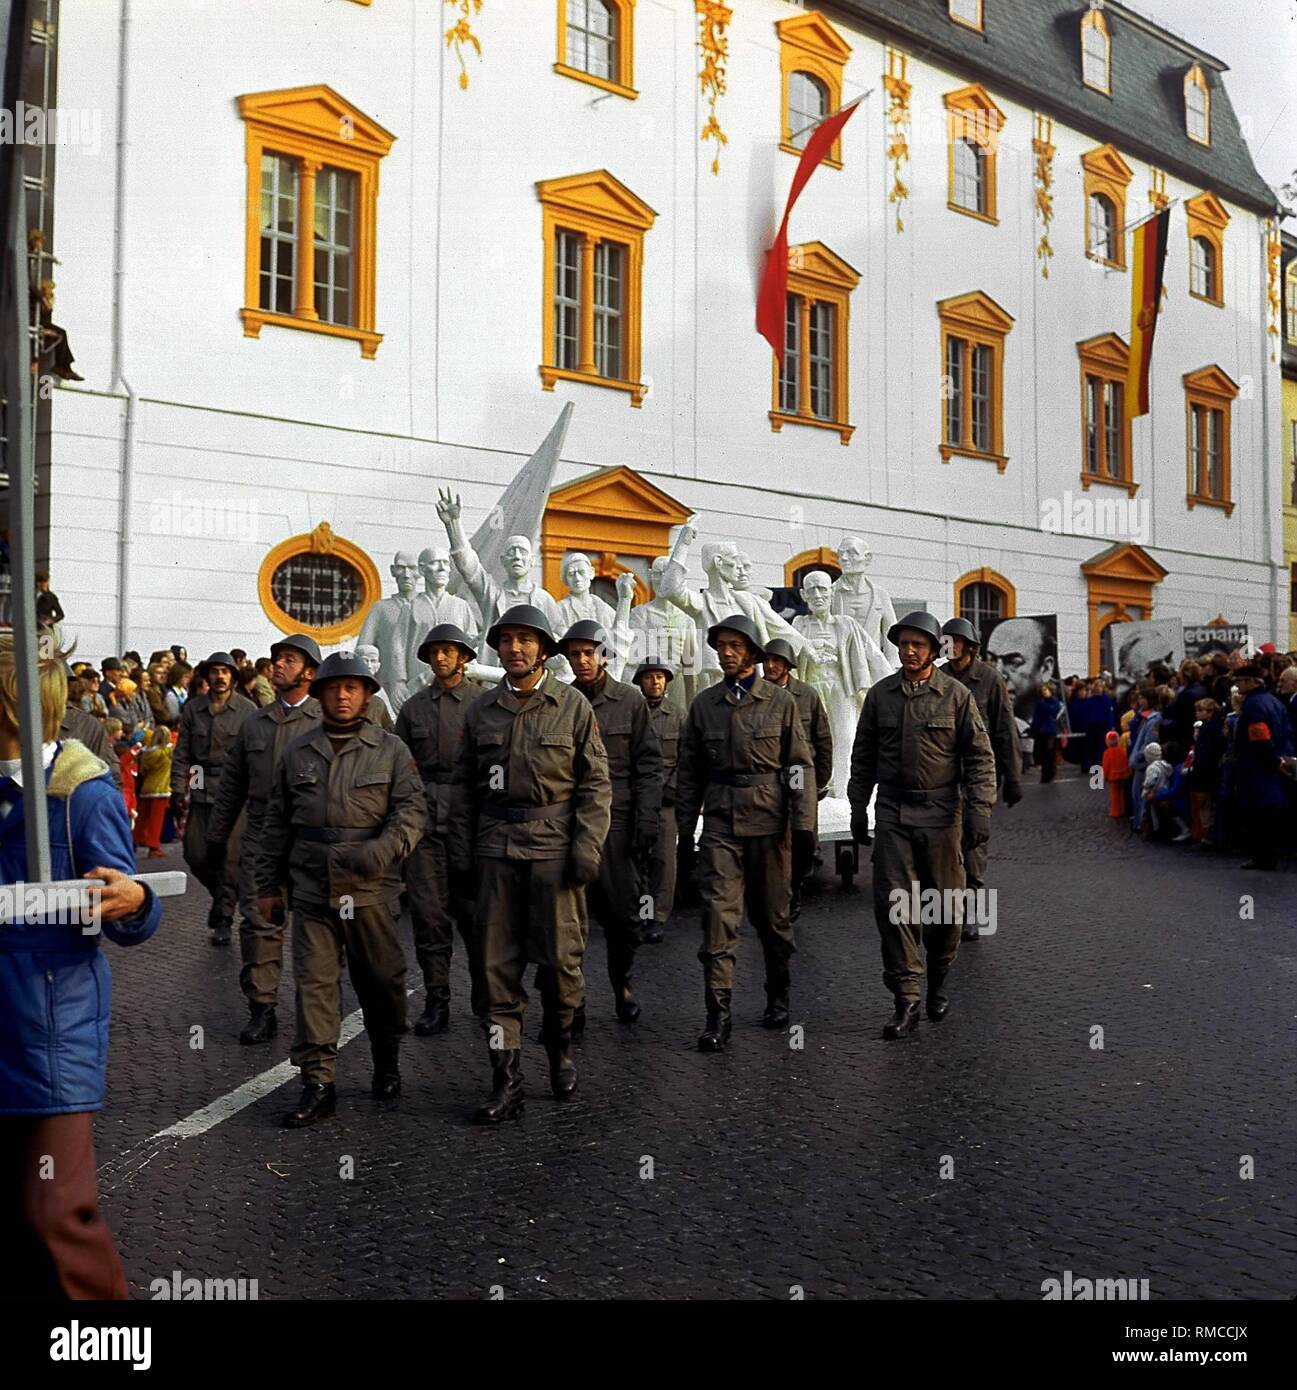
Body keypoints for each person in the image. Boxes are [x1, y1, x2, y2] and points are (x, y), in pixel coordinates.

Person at [0, 633, 161, 1300]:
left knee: (58, 1210)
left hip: (49, 1023)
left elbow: (126, 906)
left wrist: (136, 899)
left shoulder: (82, 793)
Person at [449, 605, 611, 1121]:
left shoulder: (572, 707)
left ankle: (560, 1049)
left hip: (554, 853)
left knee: (562, 969)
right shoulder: (480, 712)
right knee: (495, 973)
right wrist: (461, 856)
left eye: (525, 640)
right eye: (506, 640)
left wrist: (586, 850)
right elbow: (462, 791)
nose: (514, 649)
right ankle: (507, 1078)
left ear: (544, 649)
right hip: (496, 852)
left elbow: (596, 785)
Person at [256, 652, 425, 1127]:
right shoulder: (298, 753)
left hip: (371, 890)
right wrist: (268, 886)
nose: (343, 695)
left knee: (382, 982)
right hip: (312, 889)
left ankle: (386, 1057)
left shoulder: (390, 750)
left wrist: (384, 850)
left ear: (368, 695)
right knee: (314, 985)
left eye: (353, 687)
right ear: (320, 693)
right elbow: (275, 825)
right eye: (334, 688)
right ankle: (318, 1082)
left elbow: (412, 811)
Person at [848, 611, 996, 1039]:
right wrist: (859, 807)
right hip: (893, 815)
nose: (909, 651)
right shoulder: (880, 696)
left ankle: (939, 980)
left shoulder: (955, 696)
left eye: (918, 645)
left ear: (934, 650)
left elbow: (980, 759)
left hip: (942, 817)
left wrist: (980, 810)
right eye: (904, 644)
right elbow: (863, 757)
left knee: (946, 909)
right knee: (897, 909)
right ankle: (906, 999)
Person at [676, 615, 815, 1050]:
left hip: (770, 826)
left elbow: (798, 767)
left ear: (754, 653)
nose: (727, 653)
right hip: (720, 825)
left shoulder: (780, 702)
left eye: (736, 646)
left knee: (773, 921)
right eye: (722, 646)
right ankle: (718, 1014)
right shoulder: (704, 705)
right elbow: (690, 772)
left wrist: (804, 824)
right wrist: (684, 829)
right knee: (718, 918)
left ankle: (778, 994)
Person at [207, 635, 323, 1045]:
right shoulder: (253, 723)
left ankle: (318, 1011)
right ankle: (262, 1007)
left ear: (309, 671)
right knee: (258, 923)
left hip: (310, 840)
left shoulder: (325, 720)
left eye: (288, 660)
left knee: (316, 929)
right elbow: (232, 785)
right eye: (276, 660)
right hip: (260, 838)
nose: (277, 666)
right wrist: (218, 833)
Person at [556, 619, 663, 1028]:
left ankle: (623, 984)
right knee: (570, 917)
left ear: (604, 655)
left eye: (589, 653)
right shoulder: (561, 701)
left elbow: (649, 765)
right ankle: (574, 997)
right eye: (575, 654)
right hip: (572, 821)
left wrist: (646, 820)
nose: (582, 661)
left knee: (622, 916)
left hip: (619, 823)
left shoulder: (630, 701)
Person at [395, 622, 487, 1034]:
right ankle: (437, 999)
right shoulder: (413, 708)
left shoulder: (484, 705)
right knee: (429, 917)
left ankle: (486, 994)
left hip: (471, 822)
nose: (440, 658)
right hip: (424, 823)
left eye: (448, 651)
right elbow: (397, 766)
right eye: (434, 652)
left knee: (475, 916)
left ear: (464, 658)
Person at [940, 617, 1023, 938]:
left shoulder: (990, 679)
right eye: (945, 640)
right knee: (945, 845)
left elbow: (1005, 729)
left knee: (974, 843)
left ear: (969, 646)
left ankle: (972, 910)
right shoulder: (938, 677)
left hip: (977, 776)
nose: (948, 645)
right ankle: (949, 909)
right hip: (942, 775)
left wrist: (1013, 776)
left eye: (954, 640)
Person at [171, 652, 255, 946]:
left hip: (235, 794)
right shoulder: (193, 709)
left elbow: (252, 756)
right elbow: (182, 753)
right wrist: (177, 789)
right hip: (202, 790)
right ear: (206, 676)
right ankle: (222, 895)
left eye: (225, 672)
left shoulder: (247, 710)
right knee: (195, 853)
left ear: (233, 676)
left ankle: (223, 915)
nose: (220, 677)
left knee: (230, 859)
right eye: (215, 672)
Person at [762, 636, 831, 923]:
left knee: (804, 836)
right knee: (774, 837)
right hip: (771, 775)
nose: (770, 665)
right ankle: (779, 893)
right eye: (767, 660)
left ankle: (796, 885)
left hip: (801, 774)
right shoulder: (758, 693)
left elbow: (823, 738)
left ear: (788, 665)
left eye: (777, 661)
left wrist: (820, 780)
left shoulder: (808, 695)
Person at [630, 658, 683, 943]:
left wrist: (671, 789)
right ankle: (642, 912)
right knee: (638, 861)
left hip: (665, 801)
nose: (655, 682)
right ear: (640, 682)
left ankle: (656, 918)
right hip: (636, 800)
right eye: (649, 677)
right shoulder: (630, 713)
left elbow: (687, 758)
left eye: (660, 677)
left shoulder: (677, 715)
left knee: (663, 862)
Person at [1231, 663, 1293, 871]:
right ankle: (1268, 855)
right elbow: (1286, 732)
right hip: (1275, 762)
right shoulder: (1275, 702)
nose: (1237, 685)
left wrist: (1273, 761)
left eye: (1240, 681)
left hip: (1257, 766)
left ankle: (1263, 857)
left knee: (1258, 814)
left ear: (1251, 681)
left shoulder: (1253, 705)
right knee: (1270, 812)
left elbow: (1260, 736)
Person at [1188, 699, 1225, 847]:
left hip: (1206, 771)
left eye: (1200, 710)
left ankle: (1208, 836)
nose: (1197, 713)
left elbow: (1209, 752)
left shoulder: (1212, 729)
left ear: (1209, 712)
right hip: (1204, 770)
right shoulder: (1208, 727)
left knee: (1206, 803)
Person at [134, 725, 172, 856]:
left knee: (142, 817)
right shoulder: (166, 752)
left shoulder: (145, 753)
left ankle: (135, 839)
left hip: (147, 787)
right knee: (156, 819)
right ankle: (153, 845)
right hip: (161, 788)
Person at [1028, 682, 1064, 784]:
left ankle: (1050, 773)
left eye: (1045, 690)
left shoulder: (1053, 701)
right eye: (1042, 691)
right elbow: (1036, 717)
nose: (1044, 693)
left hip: (1049, 731)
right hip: (1040, 731)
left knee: (1049, 753)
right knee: (1042, 753)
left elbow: (1052, 710)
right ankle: (1045, 773)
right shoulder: (1040, 702)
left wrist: (1043, 704)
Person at [1101, 731, 1130, 819]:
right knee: (1121, 793)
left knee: (1114, 795)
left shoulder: (1106, 753)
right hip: (1123, 775)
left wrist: (1104, 777)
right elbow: (1126, 762)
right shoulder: (1123, 750)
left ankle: (1115, 812)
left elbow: (1106, 766)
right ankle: (1122, 810)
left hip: (1112, 777)